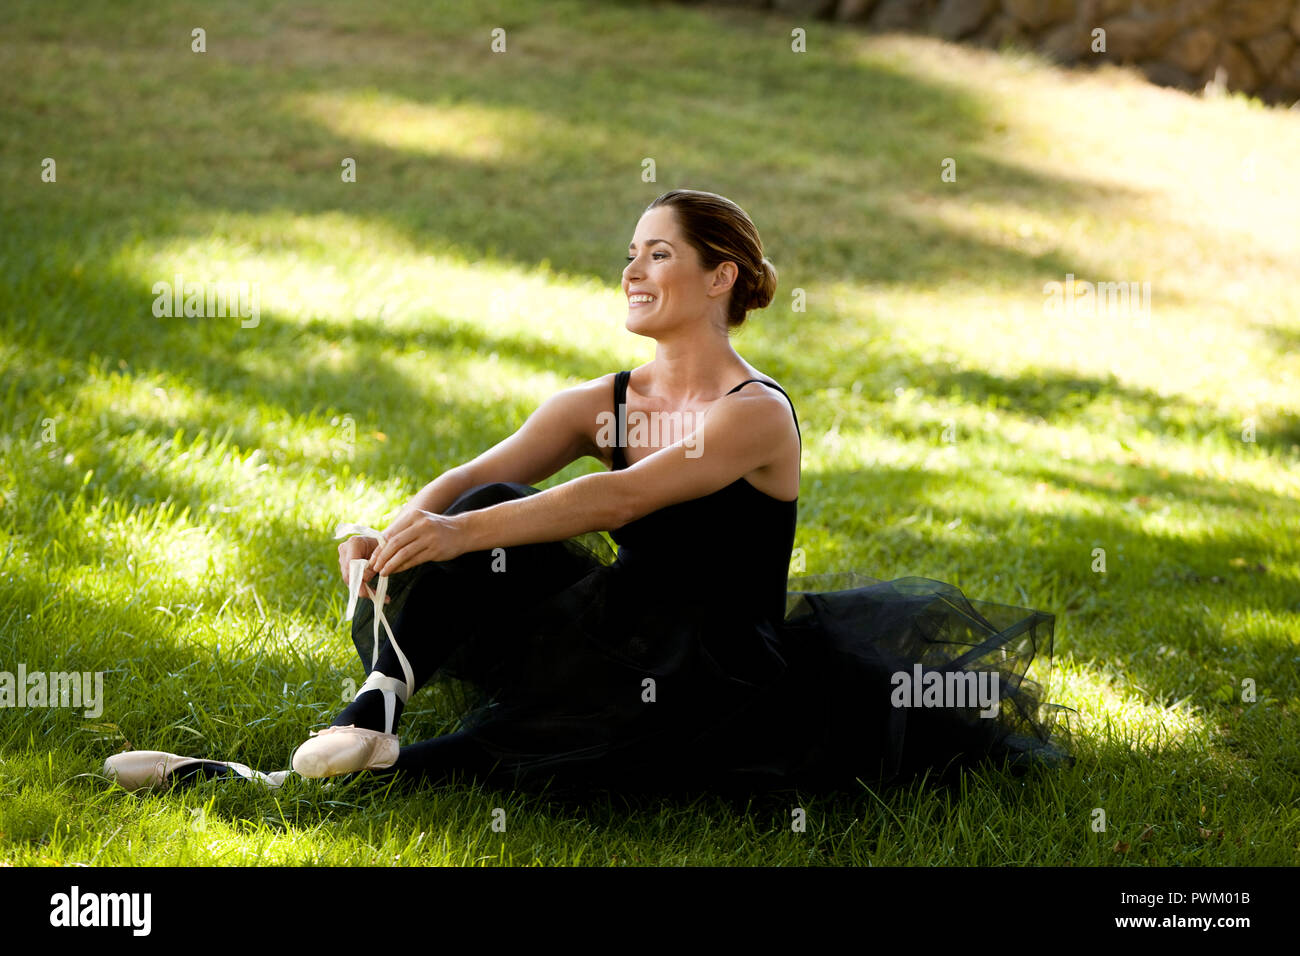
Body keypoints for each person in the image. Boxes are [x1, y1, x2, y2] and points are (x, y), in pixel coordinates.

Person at [104, 189, 1071, 796]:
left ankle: (268, 780)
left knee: (547, 737)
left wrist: (442, 535)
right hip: (609, 613)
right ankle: (377, 700)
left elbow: (619, 503)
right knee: (482, 512)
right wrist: (392, 532)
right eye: (630, 251)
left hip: (715, 658)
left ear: (719, 276)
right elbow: (478, 477)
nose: (632, 268)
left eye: (659, 252)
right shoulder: (600, 399)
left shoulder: (754, 413)